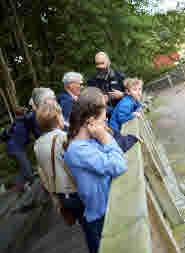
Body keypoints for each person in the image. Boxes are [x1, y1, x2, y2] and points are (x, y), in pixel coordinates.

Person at [64, 87, 128, 253]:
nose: (106, 122)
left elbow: (117, 160)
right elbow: (119, 165)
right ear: (91, 121)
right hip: (101, 218)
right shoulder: (79, 150)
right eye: (104, 119)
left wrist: (103, 138)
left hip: (107, 210)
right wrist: (105, 137)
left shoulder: (89, 143)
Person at [34, 102, 84, 224]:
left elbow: (43, 173)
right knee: (92, 225)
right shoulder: (64, 138)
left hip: (61, 195)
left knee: (84, 225)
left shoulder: (37, 144)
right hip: (76, 191)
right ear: (57, 118)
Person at [4, 87, 55, 192]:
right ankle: (18, 188)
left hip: (15, 148)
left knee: (25, 168)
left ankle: (12, 185)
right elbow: (36, 129)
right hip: (15, 148)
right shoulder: (26, 119)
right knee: (27, 170)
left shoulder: (21, 121)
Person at [87, 52, 126, 116]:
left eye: (102, 63)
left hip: (119, 116)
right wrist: (100, 100)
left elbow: (132, 96)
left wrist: (122, 95)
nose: (100, 66)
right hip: (101, 117)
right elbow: (89, 100)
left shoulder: (120, 77)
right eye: (97, 64)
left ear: (108, 62)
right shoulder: (92, 80)